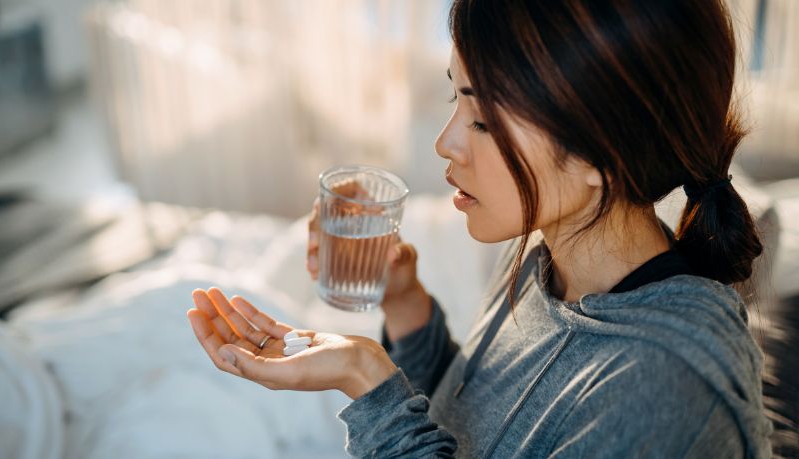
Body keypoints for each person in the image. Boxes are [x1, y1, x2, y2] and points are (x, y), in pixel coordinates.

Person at [187, 0, 774, 456]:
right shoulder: (546, 254)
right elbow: (471, 426)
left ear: (602, 152)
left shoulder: (664, 392)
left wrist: (366, 379)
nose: (446, 142)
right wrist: (405, 305)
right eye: (454, 97)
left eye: (485, 120)